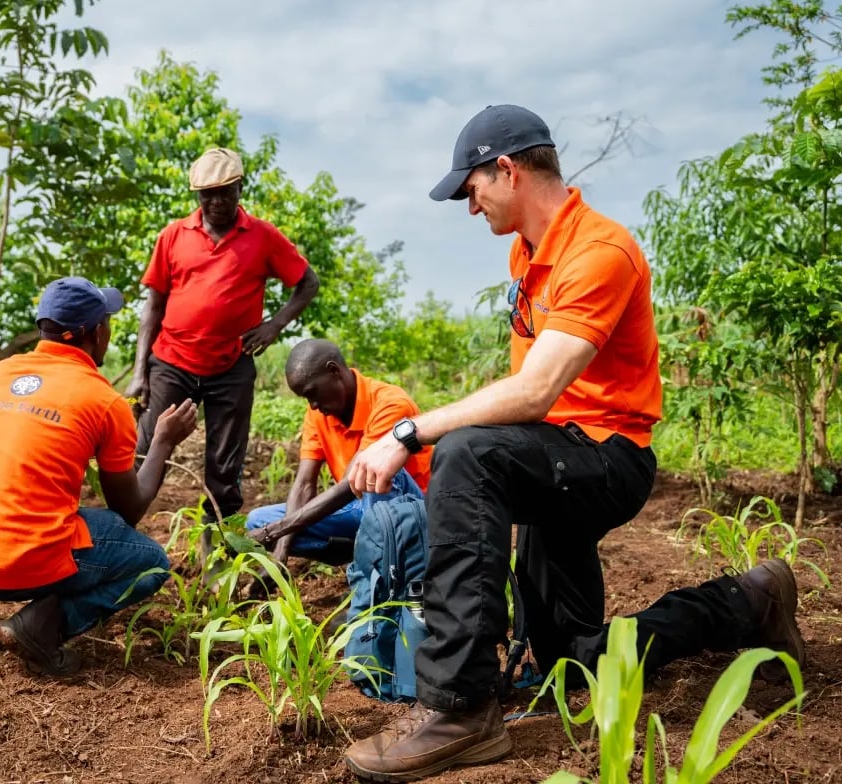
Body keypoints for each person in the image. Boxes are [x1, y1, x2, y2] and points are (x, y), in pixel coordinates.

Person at [341, 105, 806, 781]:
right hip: (557, 453)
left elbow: (534, 391)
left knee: (465, 452)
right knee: (575, 665)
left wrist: (408, 429)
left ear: (507, 170)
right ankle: (749, 599)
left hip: (609, 457)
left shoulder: (600, 251)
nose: (469, 207)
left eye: (471, 188)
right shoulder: (525, 254)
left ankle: (461, 708)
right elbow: (529, 401)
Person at [0, 276, 198, 677]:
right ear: (96, 332)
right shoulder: (103, 400)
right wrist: (162, 442)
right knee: (152, 563)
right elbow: (129, 510)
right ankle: (40, 625)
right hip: (20, 565)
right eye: (108, 321)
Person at [126, 148, 320, 520]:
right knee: (146, 451)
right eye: (207, 193)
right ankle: (121, 533)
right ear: (197, 195)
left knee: (224, 468)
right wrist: (139, 373)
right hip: (171, 362)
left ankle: (218, 550)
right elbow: (153, 305)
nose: (216, 201)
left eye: (225, 191)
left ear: (240, 188)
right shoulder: (173, 235)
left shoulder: (263, 236)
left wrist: (274, 325)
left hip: (231, 368)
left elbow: (307, 283)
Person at [246, 339, 431, 568]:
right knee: (258, 520)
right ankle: (358, 548)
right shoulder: (318, 413)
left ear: (334, 370)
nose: (312, 405)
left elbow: (351, 485)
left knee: (372, 476)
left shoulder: (390, 404)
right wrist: (281, 551)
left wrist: (278, 529)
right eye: (306, 398)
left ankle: (380, 576)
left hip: (405, 506)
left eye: (313, 393)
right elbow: (305, 484)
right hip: (359, 506)